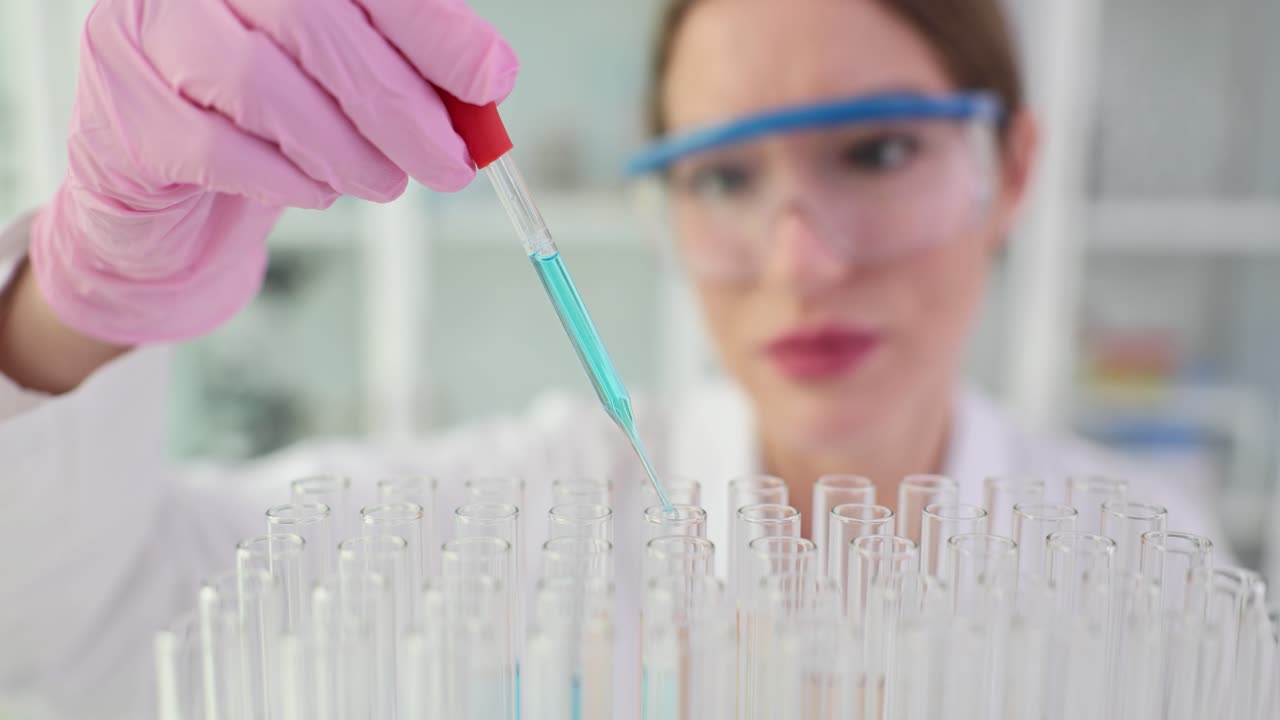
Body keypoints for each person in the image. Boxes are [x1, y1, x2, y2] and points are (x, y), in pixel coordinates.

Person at [0, 0, 1230, 717]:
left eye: (876, 154)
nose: (799, 260)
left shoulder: (1152, 569)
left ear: (1007, 170)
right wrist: (81, 305)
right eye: (725, 177)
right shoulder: (535, 507)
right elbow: (90, 621)